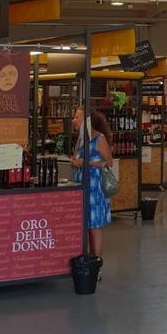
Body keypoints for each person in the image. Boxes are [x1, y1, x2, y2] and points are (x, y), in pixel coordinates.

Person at [71, 107, 114, 258]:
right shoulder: (81, 139)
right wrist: (75, 163)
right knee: (86, 225)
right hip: (81, 187)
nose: (73, 120)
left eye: (77, 117)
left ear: (86, 120)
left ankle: (97, 262)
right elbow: (73, 159)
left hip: (95, 189)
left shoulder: (99, 139)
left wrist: (86, 162)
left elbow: (109, 163)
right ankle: (87, 258)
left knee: (94, 226)